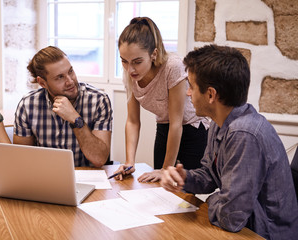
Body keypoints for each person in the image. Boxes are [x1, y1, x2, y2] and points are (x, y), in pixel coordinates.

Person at [161, 44, 298, 239]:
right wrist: (184, 179)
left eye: (191, 86)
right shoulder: (219, 122)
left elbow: (230, 218)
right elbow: (209, 175)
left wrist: (214, 198)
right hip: (247, 228)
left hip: (263, 234)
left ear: (210, 94)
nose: (188, 93)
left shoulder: (244, 135)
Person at [114, 17, 209, 182]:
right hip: (165, 125)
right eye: (124, 61)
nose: (130, 69)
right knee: (158, 184)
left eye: (137, 62)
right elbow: (133, 121)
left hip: (193, 128)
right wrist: (129, 162)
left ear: (154, 54)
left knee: (181, 189)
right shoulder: (129, 74)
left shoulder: (172, 66)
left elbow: (177, 122)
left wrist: (166, 169)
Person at [14, 46, 112, 167]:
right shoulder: (27, 105)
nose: (70, 81)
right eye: (60, 77)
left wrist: (75, 119)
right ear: (42, 83)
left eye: (70, 71)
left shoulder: (99, 100)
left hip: (87, 178)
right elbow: (22, 160)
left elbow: (99, 158)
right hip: (45, 178)